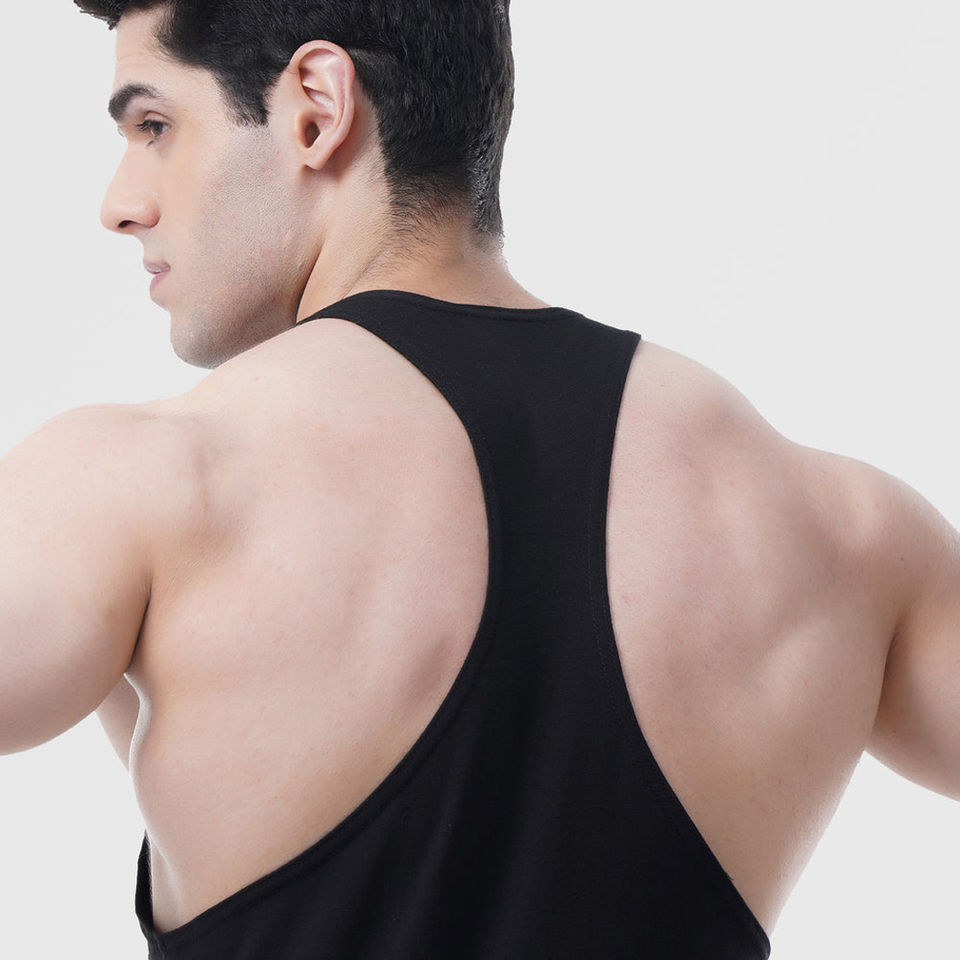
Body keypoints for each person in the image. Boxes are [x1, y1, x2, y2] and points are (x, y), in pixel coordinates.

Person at [0, 1, 956, 957]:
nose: (120, 203)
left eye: (155, 126)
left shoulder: (140, 486)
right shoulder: (844, 529)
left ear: (316, 109)